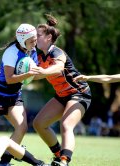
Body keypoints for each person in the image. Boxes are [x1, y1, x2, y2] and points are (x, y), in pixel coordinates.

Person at [32, 14, 92, 166]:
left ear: (49, 37)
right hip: (62, 95)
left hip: (79, 93)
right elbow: (32, 77)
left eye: (38, 35)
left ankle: (65, 161)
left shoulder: (57, 52)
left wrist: (41, 72)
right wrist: (6, 75)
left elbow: (58, 68)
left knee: (66, 125)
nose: (35, 39)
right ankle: (59, 154)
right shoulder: (39, 56)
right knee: (39, 123)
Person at [0, 23, 38, 165]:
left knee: (22, 127)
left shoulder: (32, 51)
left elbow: (27, 77)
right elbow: (9, 79)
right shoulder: (11, 52)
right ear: (22, 40)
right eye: (32, 40)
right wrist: (28, 74)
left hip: (14, 95)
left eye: (36, 39)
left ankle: (4, 162)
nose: (35, 42)